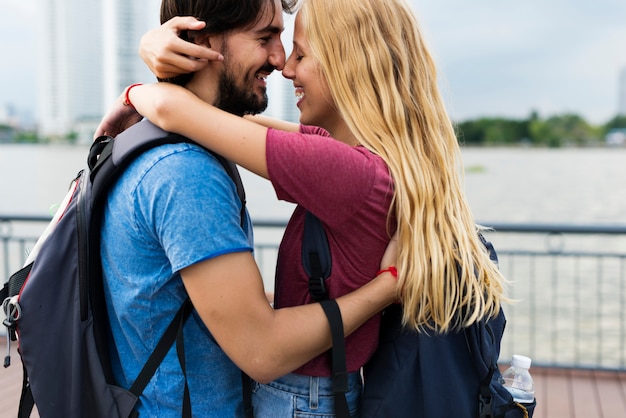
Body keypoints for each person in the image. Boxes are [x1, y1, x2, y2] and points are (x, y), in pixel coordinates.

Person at [97, 0, 509, 416]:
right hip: (319, 392)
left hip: (301, 399)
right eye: (268, 39)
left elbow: (178, 111)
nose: (285, 67)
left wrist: (138, 91)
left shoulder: (348, 172)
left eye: (300, 53)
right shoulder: (369, 161)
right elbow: (228, 125)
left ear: (348, 65)